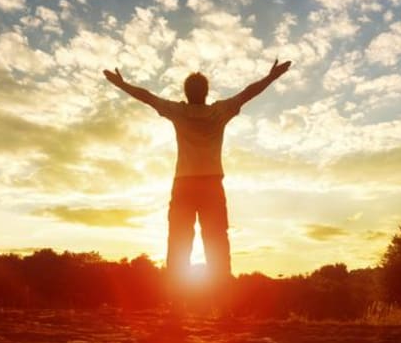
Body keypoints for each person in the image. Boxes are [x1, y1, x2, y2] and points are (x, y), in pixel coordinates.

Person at [103, 59, 291, 301]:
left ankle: (176, 306)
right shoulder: (219, 111)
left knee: (179, 243)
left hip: (184, 185)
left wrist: (122, 84)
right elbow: (248, 93)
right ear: (206, 92)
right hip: (212, 185)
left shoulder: (178, 111)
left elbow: (147, 97)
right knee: (217, 245)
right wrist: (271, 76)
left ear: (186, 93)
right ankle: (224, 306)